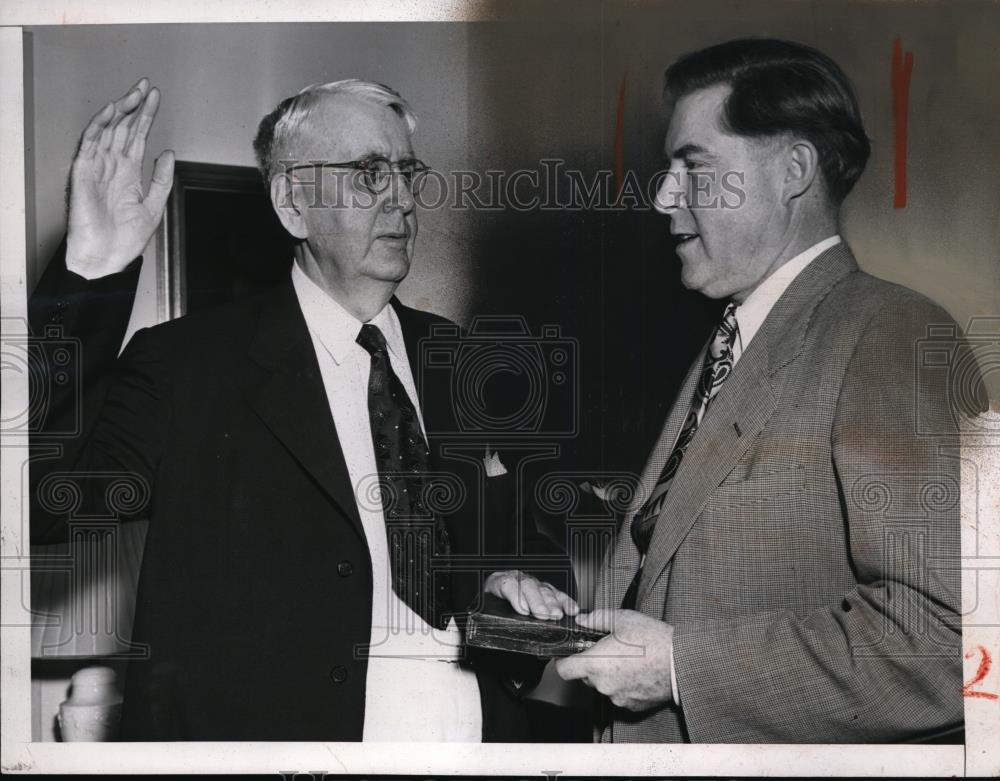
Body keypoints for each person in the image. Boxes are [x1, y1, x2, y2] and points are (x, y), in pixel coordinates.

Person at [29, 78, 577, 741]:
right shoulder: (189, 365)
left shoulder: (473, 365)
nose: (403, 199)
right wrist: (90, 275)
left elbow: (538, 556)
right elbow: (38, 503)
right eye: (371, 173)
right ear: (292, 202)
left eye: (407, 173)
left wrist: (515, 598)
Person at [498, 38, 974, 743]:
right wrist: (562, 631)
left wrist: (681, 667)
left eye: (692, 167)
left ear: (793, 171)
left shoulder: (889, 333)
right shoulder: (732, 341)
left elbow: (947, 639)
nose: (663, 195)